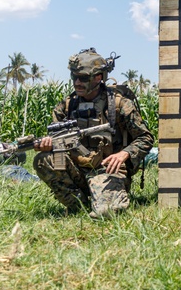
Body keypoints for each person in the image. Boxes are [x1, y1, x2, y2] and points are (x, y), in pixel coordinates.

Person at [32, 48, 154, 218]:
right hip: (78, 170)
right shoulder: (67, 106)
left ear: (98, 78)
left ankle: (102, 199)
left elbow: (146, 138)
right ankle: (78, 205)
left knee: (105, 213)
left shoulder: (119, 104)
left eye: (83, 78)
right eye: (74, 77)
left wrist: (124, 155)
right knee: (43, 160)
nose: (77, 83)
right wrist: (47, 145)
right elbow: (55, 138)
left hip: (108, 169)